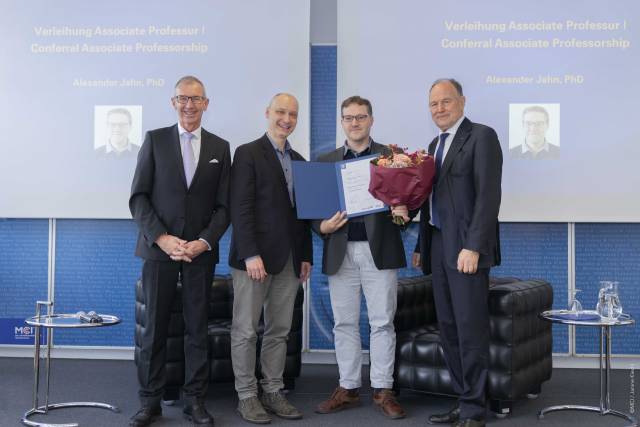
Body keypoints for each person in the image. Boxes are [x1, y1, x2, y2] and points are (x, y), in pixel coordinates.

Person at [129, 76, 231, 427]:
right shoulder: (155, 140)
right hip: (159, 252)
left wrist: (204, 241)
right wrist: (162, 238)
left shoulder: (220, 147)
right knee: (153, 330)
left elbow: (224, 207)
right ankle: (149, 402)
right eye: (182, 98)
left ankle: (195, 401)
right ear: (173, 102)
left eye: (196, 99)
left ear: (206, 103)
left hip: (200, 255)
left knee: (196, 330)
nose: (189, 105)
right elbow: (138, 198)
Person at [413, 79, 502, 427]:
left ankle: (475, 408)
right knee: (448, 328)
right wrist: (422, 244)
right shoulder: (434, 145)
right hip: (437, 246)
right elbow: (430, 200)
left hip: (466, 249)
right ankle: (463, 398)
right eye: (433, 103)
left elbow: (488, 197)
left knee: (470, 328)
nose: (439, 109)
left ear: (462, 102)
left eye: (446, 101)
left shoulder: (482, 136)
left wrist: (474, 246)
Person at [312, 96, 407, 420]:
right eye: (349, 118)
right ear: (342, 122)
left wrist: (403, 209)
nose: (355, 123)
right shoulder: (326, 162)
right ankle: (349, 388)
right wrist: (321, 226)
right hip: (341, 252)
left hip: (379, 250)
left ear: (371, 120)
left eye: (361, 117)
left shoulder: (390, 157)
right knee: (345, 323)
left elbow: (408, 202)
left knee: (382, 322)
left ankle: (383, 390)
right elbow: (313, 210)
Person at [229, 93, 312, 424]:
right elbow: (241, 207)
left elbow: (302, 216)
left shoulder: (301, 161)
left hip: (290, 260)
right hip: (254, 260)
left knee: (279, 330)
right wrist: (250, 253)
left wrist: (305, 255)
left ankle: (273, 391)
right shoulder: (247, 153)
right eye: (281, 111)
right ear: (267, 113)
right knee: (246, 330)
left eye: (292, 114)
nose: (286, 118)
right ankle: (247, 396)